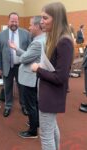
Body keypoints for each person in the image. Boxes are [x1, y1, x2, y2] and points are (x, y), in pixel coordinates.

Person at [31, 2, 74, 150]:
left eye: (45, 18)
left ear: (56, 18)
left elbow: (61, 77)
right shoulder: (55, 38)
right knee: (52, 128)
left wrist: (38, 69)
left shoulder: (64, 41)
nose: (41, 21)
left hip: (51, 94)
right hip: (48, 92)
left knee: (46, 135)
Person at [9, 16, 46, 138]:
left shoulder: (37, 42)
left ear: (37, 26)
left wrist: (17, 49)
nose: (29, 27)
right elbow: (29, 56)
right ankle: (36, 123)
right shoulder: (44, 38)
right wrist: (18, 49)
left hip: (30, 78)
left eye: (30, 25)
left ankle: (32, 131)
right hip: (34, 77)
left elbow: (24, 59)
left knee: (31, 105)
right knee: (34, 103)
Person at [0, 12, 31, 117]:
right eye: (12, 21)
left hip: (21, 66)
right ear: (8, 21)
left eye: (16, 21)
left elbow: (29, 51)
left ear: (18, 21)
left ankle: (23, 105)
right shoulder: (1, 35)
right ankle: (8, 106)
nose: (14, 23)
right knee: (7, 87)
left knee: (22, 87)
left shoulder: (25, 33)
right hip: (7, 67)